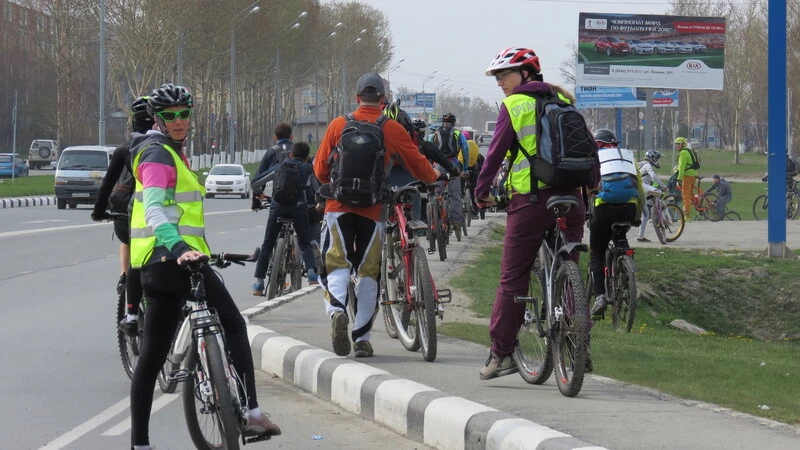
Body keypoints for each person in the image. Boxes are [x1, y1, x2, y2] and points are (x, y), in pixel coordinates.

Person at [128, 83, 279, 450]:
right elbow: (154, 209)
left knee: (151, 358)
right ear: (157, 119)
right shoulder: (157, 156)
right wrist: (181, 248)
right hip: (175, 262)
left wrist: (203, 252)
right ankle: (254, 413)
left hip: (155, 267)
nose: (179, 121)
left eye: (184, 114)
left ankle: (139, 445)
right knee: (233, 323)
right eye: (170, 116)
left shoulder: (167, 152)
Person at [475, 47, 590, 380]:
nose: (499, 82)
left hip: (531, 201)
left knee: (513, 277)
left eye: (503, 75)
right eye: (497, 77)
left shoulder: (514, 105)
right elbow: (588, 150)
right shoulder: (564, 103)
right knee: (569, 267)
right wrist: (590, 189)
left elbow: (495, 155)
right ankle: (578, 344)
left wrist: (481, 192)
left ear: (526, 74)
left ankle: (502, 354)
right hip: (572, 199)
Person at [314, 73, 440, 358]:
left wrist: (331, 184)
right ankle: (361, 339)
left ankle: (336, 313)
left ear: (357, 97)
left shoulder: (338, 124)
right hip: (373, 210)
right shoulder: (391, 128)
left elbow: (320, 169)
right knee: (369, 273)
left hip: (337, 207)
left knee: (336, 264)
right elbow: (418, 165)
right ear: (383, 100)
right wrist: (433, 177)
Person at [91, 95, 154, 335]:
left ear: (132, 123)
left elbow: (107, 185)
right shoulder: (169, 146)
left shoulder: (124, 149)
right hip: (166, 218)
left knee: (134, 253)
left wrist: (98, 212)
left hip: (130, 215)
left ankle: (130, 314)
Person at [250, 142, 319, 295]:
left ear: (290, 155)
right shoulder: (309, 169)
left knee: (267, 244)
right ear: (307, 157)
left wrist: (258, 192)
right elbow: (317, 189)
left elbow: (256, 183)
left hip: (278, 208)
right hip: (298, 208)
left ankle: (259, 284)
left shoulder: (279, 166)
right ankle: (312, 275)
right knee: (305, 243)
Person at [588, 129, 644, 318]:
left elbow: (588, 185)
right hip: (628, 208)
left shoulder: (595, 157)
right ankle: (627, 276)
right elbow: (640, 189)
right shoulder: (628, 158)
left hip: (604, 209)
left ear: (598, 144)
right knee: (620, 238)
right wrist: (638, 215)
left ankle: (600, 297)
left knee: (596, 253)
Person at [432, 113, 469, 229]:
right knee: (455, 195)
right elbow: (465, 149)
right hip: (453, 164)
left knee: (436, 193)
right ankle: (457, 221)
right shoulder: (458, 133)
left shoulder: (435, 133)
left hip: (438, 165)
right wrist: (465, 168)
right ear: (454, 123)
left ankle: (435, 220)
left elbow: (429, 148)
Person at [636, 150, 666, 242]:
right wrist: (663, 186)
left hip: (640, 190)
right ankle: (658, 212)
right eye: (656, 158)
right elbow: (653, 177)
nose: (657, 161)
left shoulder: (641, 164)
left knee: (645, 215)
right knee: (658, 191)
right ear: (651, 158)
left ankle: (640, 237)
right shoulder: (647, 165)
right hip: (641, 187)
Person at [675, 136, 699, 218]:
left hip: (687, 176)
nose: (677, 146)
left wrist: (679, 178)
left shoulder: (683, 153)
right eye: (676, 144)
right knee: (690, 194)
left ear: (682, 144)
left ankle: (687, 216)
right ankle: (697, 201)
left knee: (685, 196)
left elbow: (682, 167)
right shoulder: (689, 151)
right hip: (693, 175)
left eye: (678, 144)